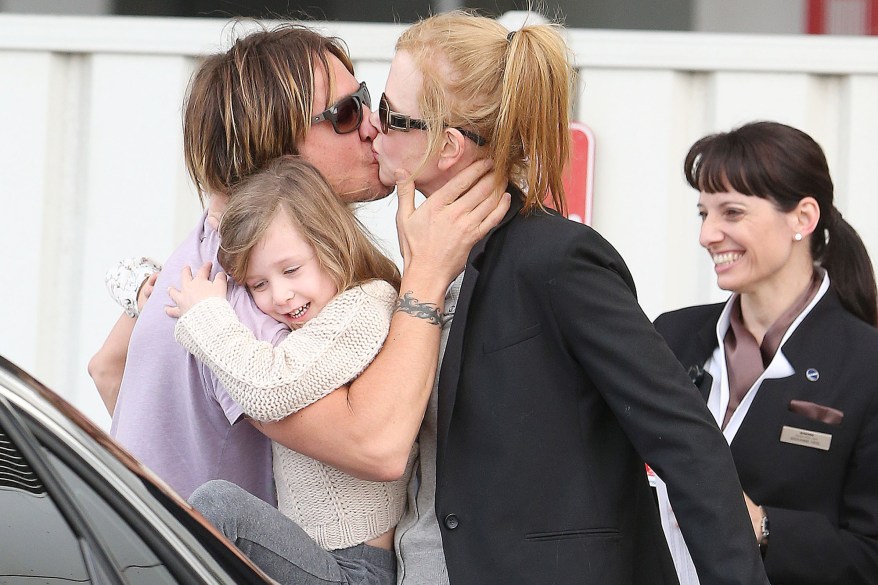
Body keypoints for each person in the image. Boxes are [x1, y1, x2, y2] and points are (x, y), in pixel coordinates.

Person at [365, 10, 768, 585]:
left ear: (446, 146)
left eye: (388, 114)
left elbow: (684, 437)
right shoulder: (422, 259)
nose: (372, 131)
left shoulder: (557, 259)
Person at [89, 22, 507, 503]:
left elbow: (108, 367)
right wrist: (426, 276)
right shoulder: (254, 303)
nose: (373, 124)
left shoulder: (210, 248)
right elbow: (376, 448)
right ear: (275, 146)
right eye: (346, 114)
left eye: (364, 98)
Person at [167, 156, 411, 584]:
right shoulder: (314, 324)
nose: (280, 295)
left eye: (291, 270)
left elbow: (272, 386)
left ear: (332, 242)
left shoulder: (366, 306)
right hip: (311, 557)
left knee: (220, 506)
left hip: (354, 570)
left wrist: (206, 316)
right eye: (259, 284)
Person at [653, 121, 878, 585]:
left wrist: (761, 525)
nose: (708, 235)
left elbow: (869, 556)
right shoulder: (670, 336)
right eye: (703, 214)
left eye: (732, 213)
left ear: (803, 218)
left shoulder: (865, 364)